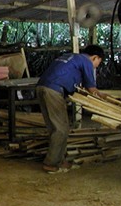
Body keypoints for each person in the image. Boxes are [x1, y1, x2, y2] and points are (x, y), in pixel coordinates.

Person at [36, 44, 105, 174]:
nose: (96, 66)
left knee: (54, 127)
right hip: (53, 90)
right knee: (61, 129)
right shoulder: (86, 61)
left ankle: (60, 161)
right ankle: (51, 164)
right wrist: (104, 98)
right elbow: (91, 89)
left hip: (41, 87)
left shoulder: (70, 57)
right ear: (95, 57)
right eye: (98, 63)